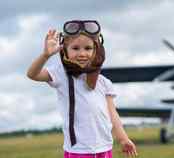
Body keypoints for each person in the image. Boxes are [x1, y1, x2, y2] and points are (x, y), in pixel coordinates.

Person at [27, 20, 138, 158]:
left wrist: (123, 138)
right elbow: (33, 74)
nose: (82, 53)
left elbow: (112, 114)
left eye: (88, 48)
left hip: (104, 148)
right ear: (64, 49)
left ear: (96, 50)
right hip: (77, 150)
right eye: (75, 48)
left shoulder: (103, 83)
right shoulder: (61, 75)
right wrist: (45, 55)